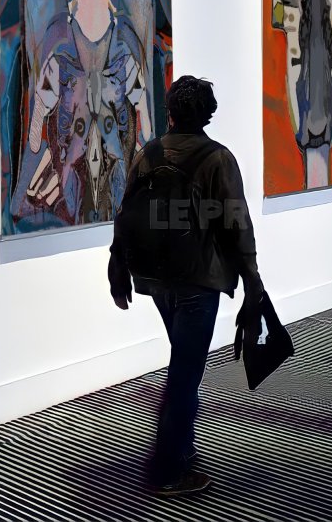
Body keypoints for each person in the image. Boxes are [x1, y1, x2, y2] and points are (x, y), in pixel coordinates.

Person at [108, 75, 263, 496]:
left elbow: (125, 214)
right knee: (185, 372)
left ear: (171, 111)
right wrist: (253, 283)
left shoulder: (148, 153)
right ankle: (167, 470)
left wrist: (117, 265)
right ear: (208, 114)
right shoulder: (218, 159)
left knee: (184, 363)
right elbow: (237, 224)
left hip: (156, 278)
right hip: (198, 279)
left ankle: (181, 447)